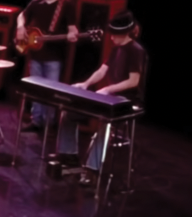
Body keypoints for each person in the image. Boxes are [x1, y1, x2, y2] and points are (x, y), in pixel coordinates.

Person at [57, 11, 147, 187]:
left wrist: (108, 89)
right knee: (68, 113)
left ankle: (92, 169)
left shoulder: (136, 51)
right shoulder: (116, 49)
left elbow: (133, 81)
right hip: (109, 97)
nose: (111, 37)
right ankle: (69, 156)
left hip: (127, 101)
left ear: (125, 33)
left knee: (106, 124)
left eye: (114, 34)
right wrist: (86, 84)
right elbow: (102, 71)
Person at [16, 0, 79, 132]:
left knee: (51, 91)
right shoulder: (37, 3)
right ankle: (36, 121)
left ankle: (49, 124)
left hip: (54, 56)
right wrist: (21, 27)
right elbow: (21, 15)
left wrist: (73, 34)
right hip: (36, 52)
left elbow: (72, 28)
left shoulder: (66, 5)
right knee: (36, 89)